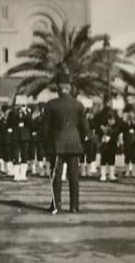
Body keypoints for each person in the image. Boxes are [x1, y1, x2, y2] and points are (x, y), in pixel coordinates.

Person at [43, 72, 90, 214]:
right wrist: (80, 140)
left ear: (58, 88)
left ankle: (56, 205)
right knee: (74, 177)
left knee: (57, 176)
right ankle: (74, 206)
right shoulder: (79, 105)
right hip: (74, 144)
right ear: (69, 88)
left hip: (57, 144)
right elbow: (85, 128)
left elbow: (45, 128)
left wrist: (45, 144)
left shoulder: (51, 105)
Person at [13, 103, 32, 182]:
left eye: (24, 106)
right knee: (16, 155)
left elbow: (30, 122)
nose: (22, 107)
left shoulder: (27, 114)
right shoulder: (14, 113)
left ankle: (23, 174)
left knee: (25, 155)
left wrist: (25, 113)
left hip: (25, 137)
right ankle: (17, 174)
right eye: (21, 106)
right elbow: (12, 122)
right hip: (16, 136)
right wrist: (18, 113)